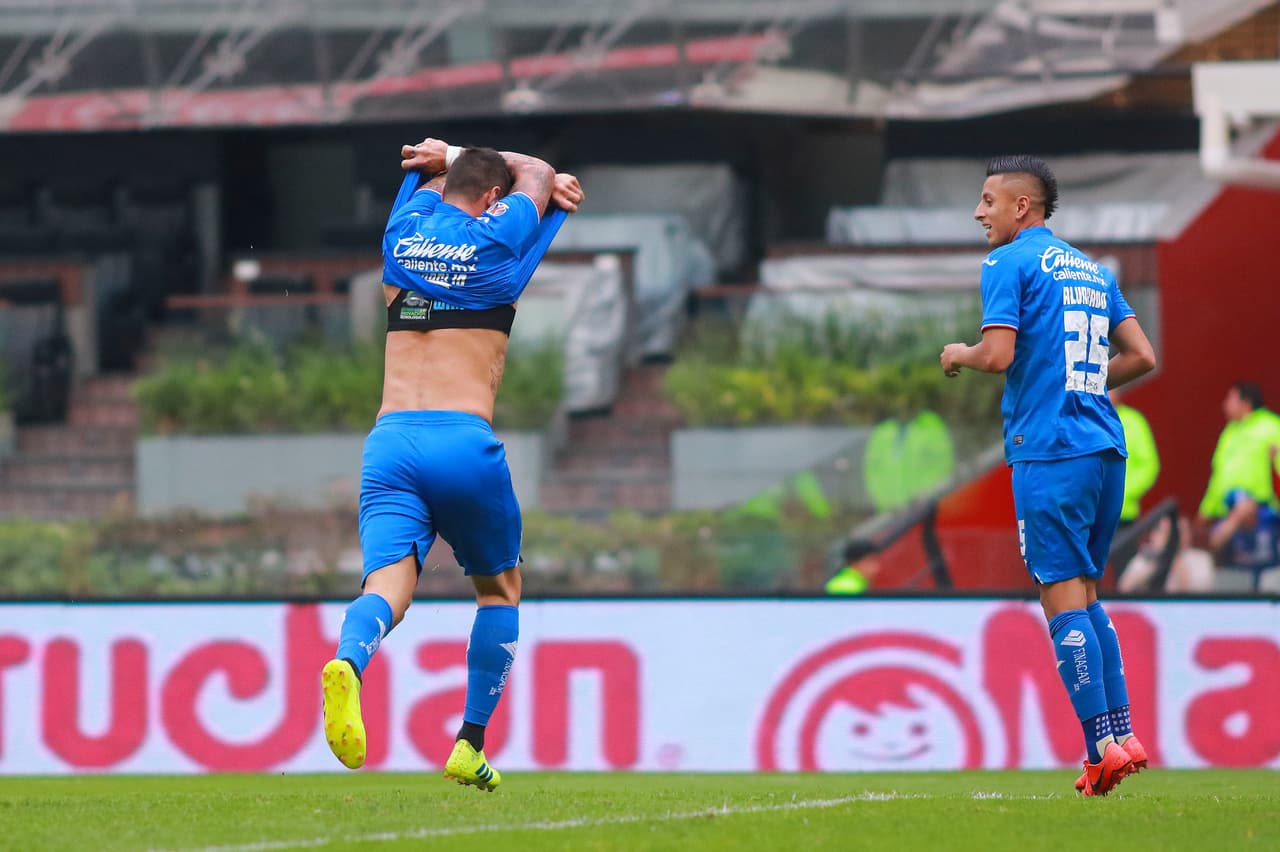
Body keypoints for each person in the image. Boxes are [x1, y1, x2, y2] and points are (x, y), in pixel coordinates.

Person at [320, 138, 584, 792]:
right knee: (499, 591)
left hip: (389, 441)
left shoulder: (399, 241)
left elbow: (437, 182)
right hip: (462, 439)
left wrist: (445, 160)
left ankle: (349, 665)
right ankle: (469, 743)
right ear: (495, 200)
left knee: (387, 586)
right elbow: (539, 173)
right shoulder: (498, 253)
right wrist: (485, 162)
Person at [940, 155, 1156, 797]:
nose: (979, 213)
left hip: (1050, 449)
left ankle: (1101, 751)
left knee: (1059, 595)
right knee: (1087, 593)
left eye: (987, 201)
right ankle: (1124, 734)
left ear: (1021, 208)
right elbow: (1142, 356)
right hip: (1103, 447)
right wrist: (1080, 379)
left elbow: (999, 353)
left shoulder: (1008, 263)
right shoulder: (1093, 269)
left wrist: (960, 353)